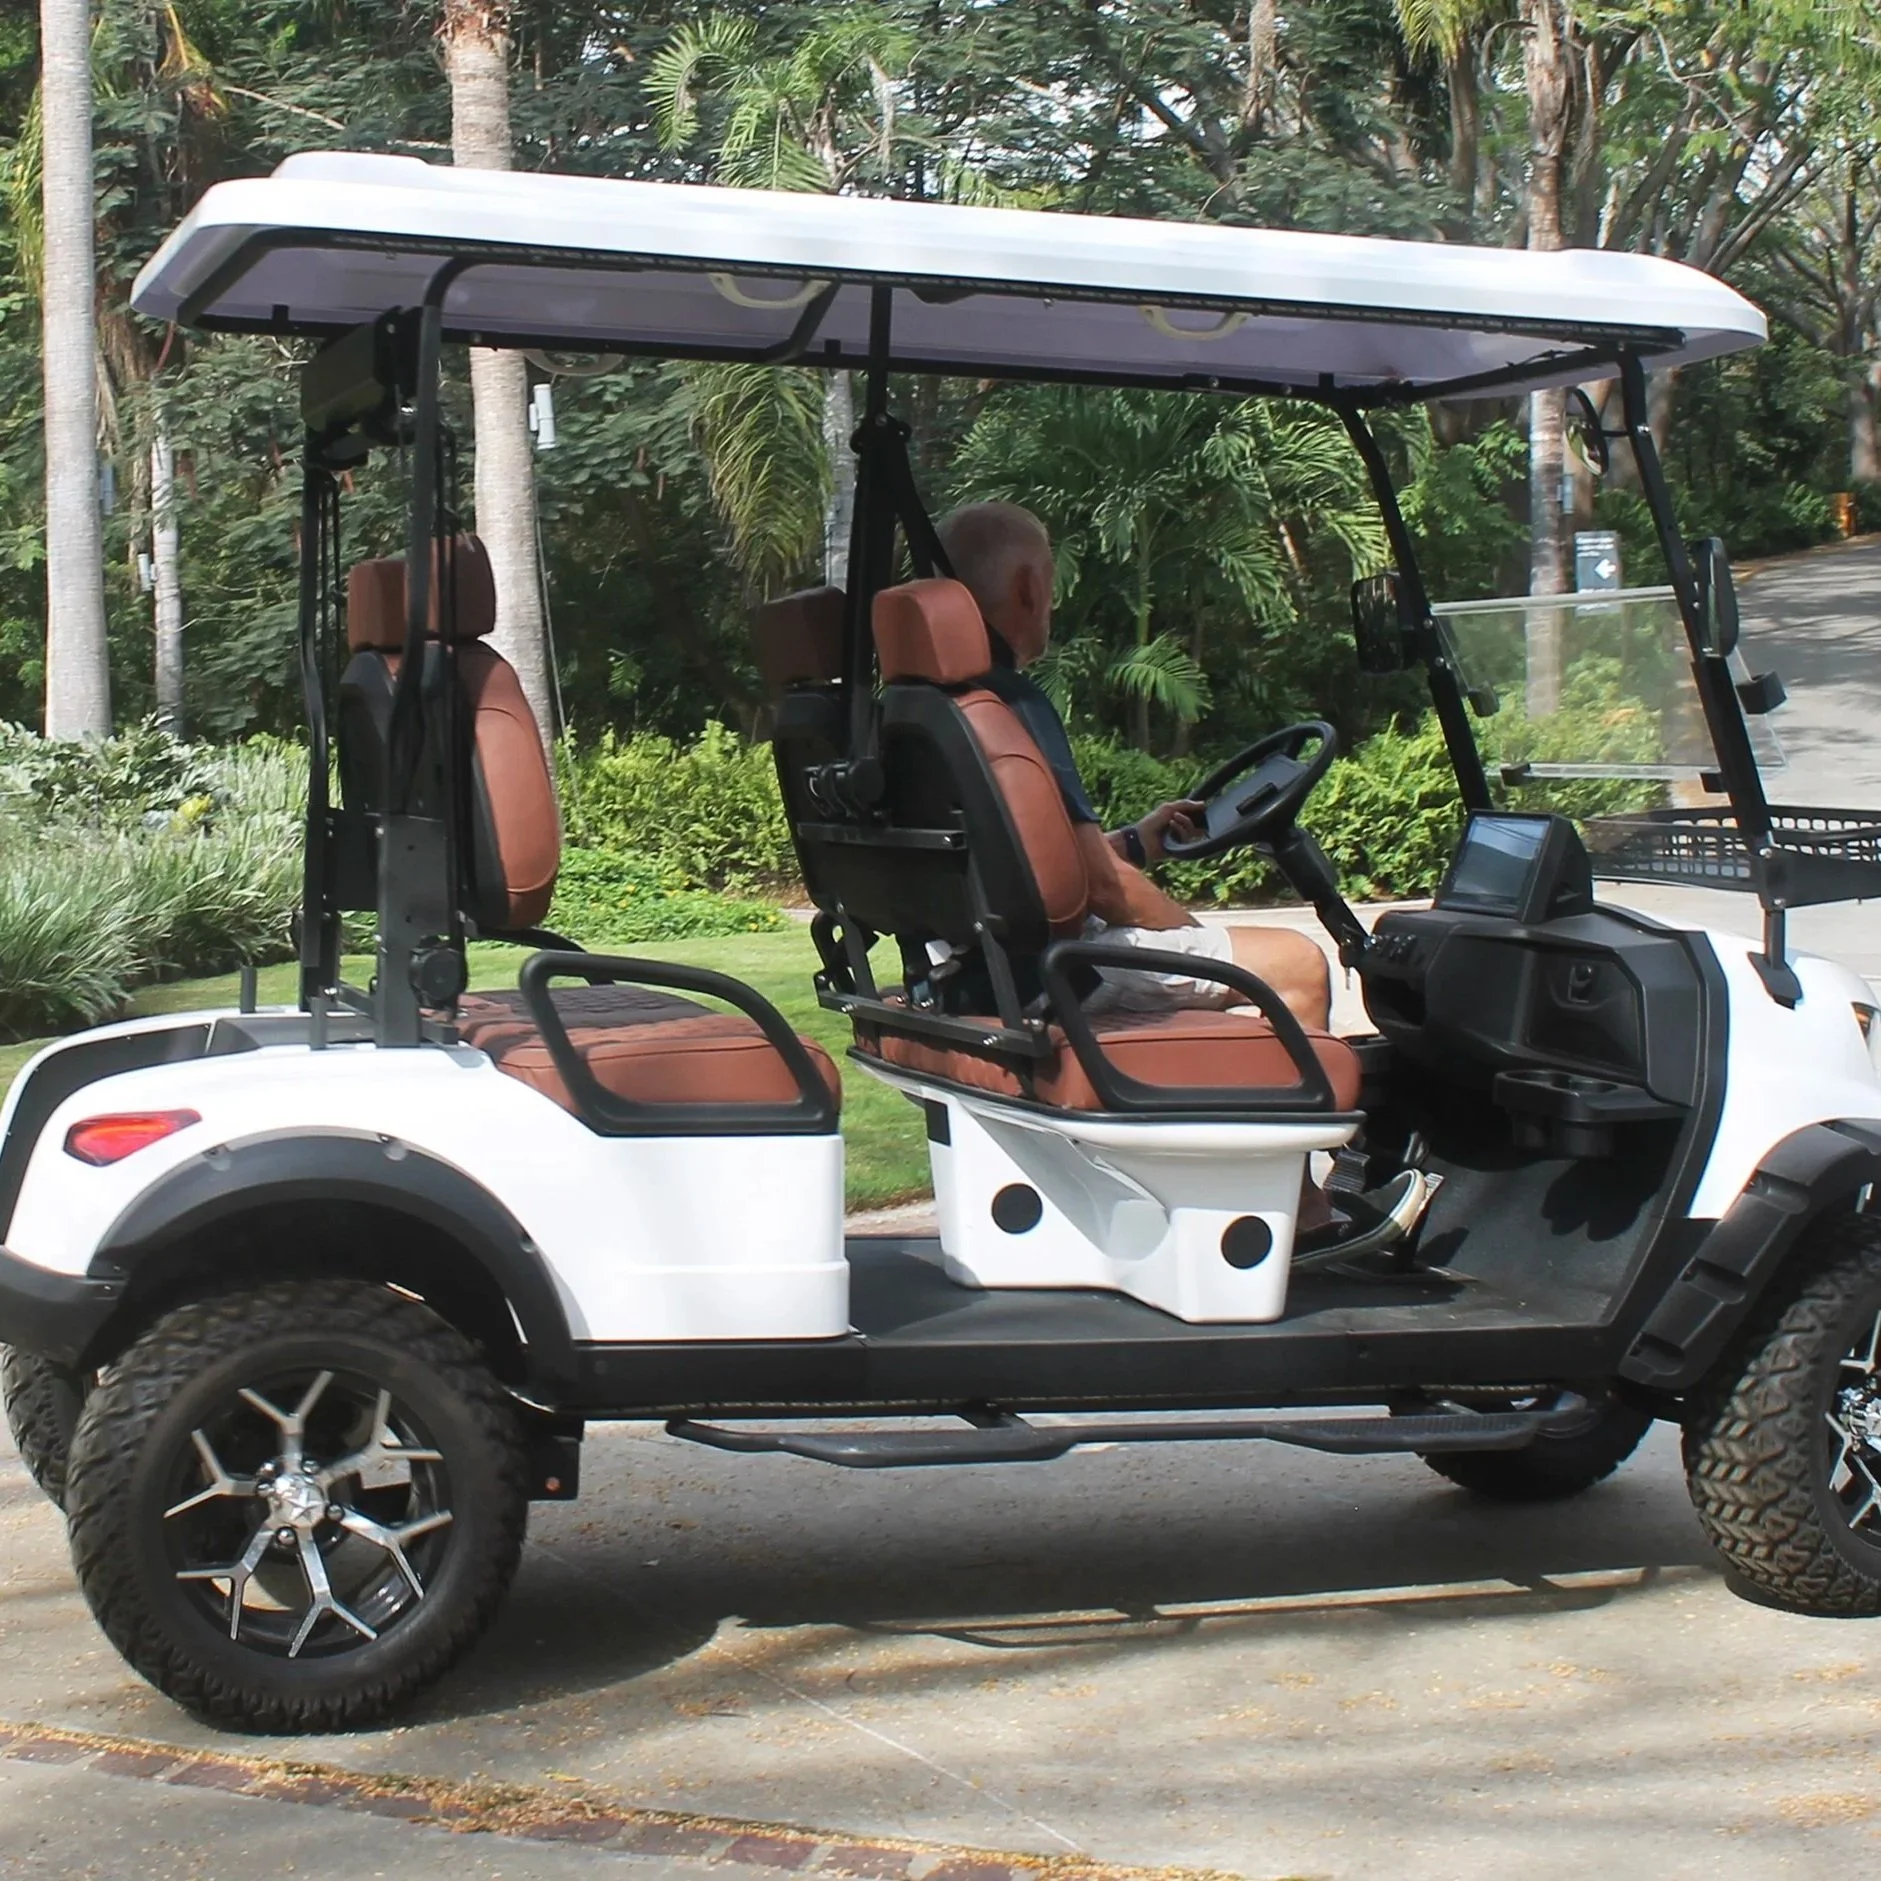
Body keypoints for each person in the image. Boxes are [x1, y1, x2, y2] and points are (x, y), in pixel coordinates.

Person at [936, 501, 1433, 1259]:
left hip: (979, 966)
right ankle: (1305, 1219)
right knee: (1294, 964)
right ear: (1031, 588)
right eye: (1051, 585)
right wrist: (1192, 935)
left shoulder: (926, 707)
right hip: (1053, 971)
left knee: (1246, 964)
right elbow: (1103, 890)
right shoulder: (1010, 704)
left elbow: (1038, 858)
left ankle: (1244, 1185)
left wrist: (1139, 841)